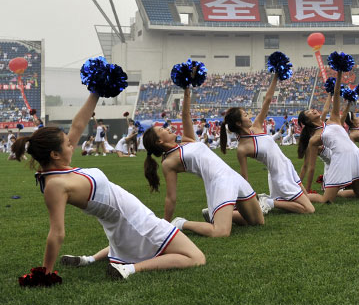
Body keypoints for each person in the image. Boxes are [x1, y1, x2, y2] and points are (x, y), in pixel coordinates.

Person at [13, 92, 204, 280]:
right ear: (55, 154)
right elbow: (57, 232)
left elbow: (78, 124)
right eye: (68, 144)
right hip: (135, 221)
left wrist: (96, 91)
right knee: (196, 257)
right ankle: (129, 269)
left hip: (124, 225)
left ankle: (88, 259)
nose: (72, 145)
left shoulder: (57, 168)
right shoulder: (55, 185)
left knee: (149, 246)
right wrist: (45, 273)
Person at [142, 86, 265, 237]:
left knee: (257, 222)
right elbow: (171, 197)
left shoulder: (187, 140)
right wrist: (166, 225)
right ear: (159, 141)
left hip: (234, 177)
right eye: (162, 130)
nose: (167, 129)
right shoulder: (168, 162)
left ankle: (215, 214)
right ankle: (181, 223)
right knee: (221, 232)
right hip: (220, 183)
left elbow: (186, 115)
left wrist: (187, 91)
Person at [220, 73, 315, 215]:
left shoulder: (257, 126)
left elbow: (267, 100)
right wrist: (242, 201)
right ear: (239, 123)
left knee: (306, 199)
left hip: (287, 167)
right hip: (280, 176)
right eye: (245, 115)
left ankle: (271, 200)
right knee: (309, 209)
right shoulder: (242, 148)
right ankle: (270, 202)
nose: (249, 116)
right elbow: (245, 178)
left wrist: (276, 76)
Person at [295, 70, 359, 203]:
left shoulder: (333, 119)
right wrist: (307, 189)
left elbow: (336, 94)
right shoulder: (314, 138)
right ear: (307, 121)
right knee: (326, 200)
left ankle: (339, 193)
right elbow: (311, 167)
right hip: (339, 161)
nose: (313, 110)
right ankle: (302, 196)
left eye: (312, 109)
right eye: (309, 112)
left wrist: (339, 72)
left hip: (355, 157)